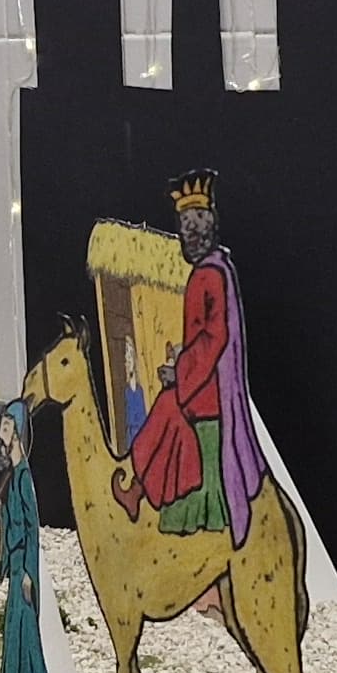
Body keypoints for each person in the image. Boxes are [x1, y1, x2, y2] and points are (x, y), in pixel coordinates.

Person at [113, 172, 268, 545]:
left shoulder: (209, 275)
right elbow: (206, 336)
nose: (189, 230)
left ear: (209, 224)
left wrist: (180, 373)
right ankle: (138, 492)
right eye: (184, 222)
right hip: (202, 382)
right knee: (161, 418)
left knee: (164, 417)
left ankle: (140, 493)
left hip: (206, 392)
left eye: (195, 221)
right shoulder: (213, 271)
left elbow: (214, 337)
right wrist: (183, 359)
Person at [0, 397, 55, 673]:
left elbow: (32, 530)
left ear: (16, 432)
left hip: (24, 574)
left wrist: (29, 573)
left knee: (25, 646)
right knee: (12, 646)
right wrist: (1, 518)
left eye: (5, 426)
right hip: (16, 569)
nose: (0, 432)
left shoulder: (25, 478)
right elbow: (15, 523)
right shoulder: (13, 477)